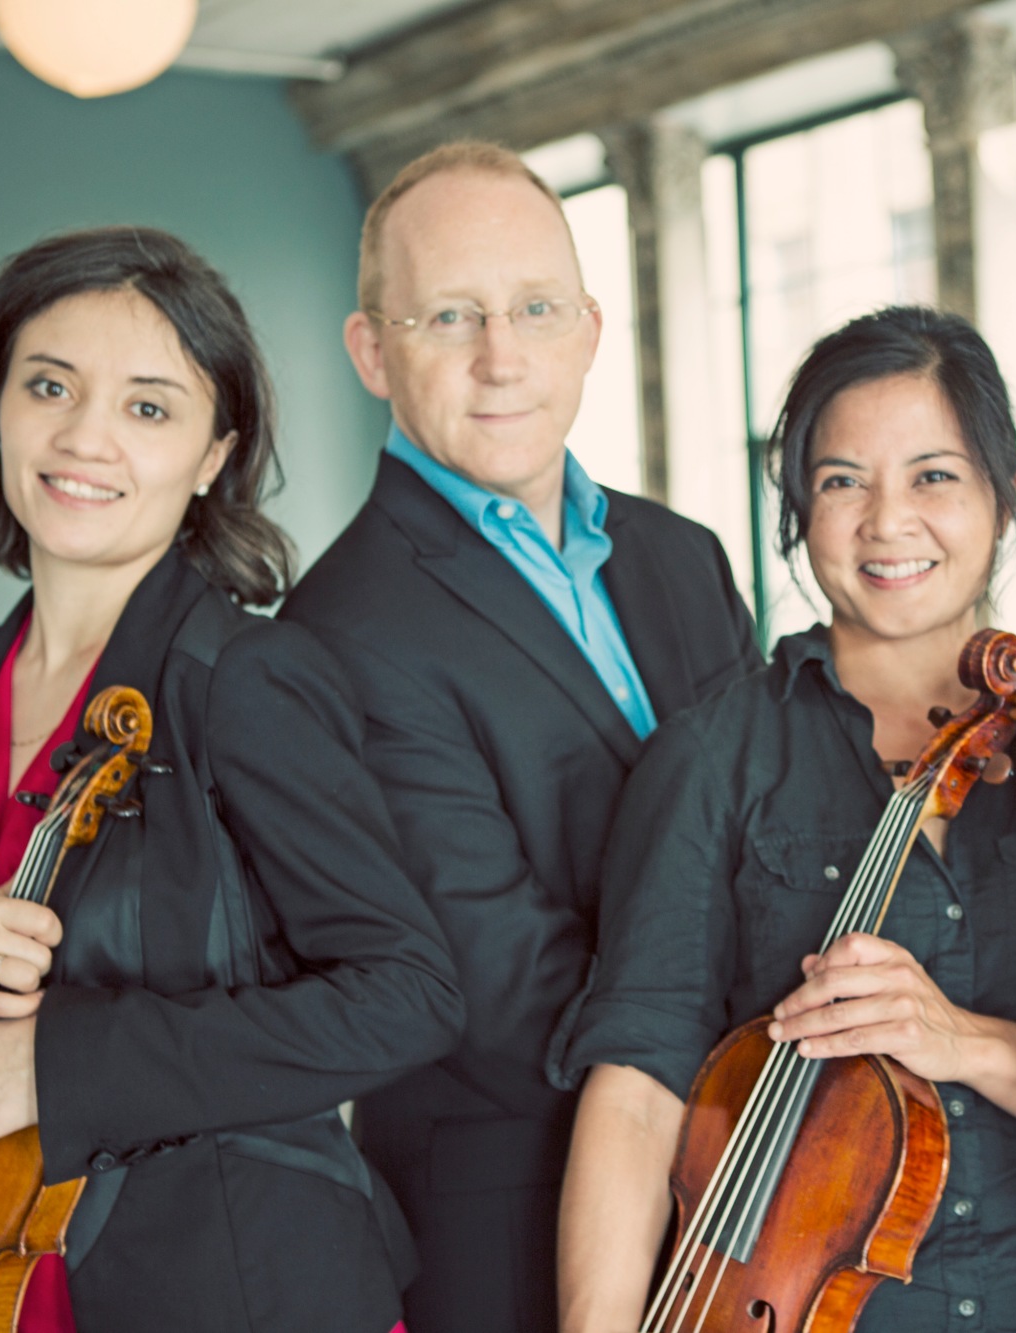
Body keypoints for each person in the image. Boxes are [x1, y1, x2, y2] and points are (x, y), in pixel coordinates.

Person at [0, 227, 463, 1332]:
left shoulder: (248, 680)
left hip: (228, 1288)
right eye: (50, 386)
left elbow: (404, 995)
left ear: (213, 454)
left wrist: (61, 1069)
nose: (85, 439)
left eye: (149, 407)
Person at [555, 306, 1016, 1333]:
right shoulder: (713, 758)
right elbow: (638, 1088)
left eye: (933, 475)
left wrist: (960, 1040)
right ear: (795, 510)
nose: (886, 522)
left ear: (1003, 498)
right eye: (840, 482)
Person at [281, 140, 760, 1331]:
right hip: (513, 1215)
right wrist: (739, 1086)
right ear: (371, 351)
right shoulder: (336, 631)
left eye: (535, 309)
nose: (502, 357)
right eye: (451, 316)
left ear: (590, 329)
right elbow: (487, 979)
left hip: (753, 1176)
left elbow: (774, 832)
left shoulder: (681, 557)